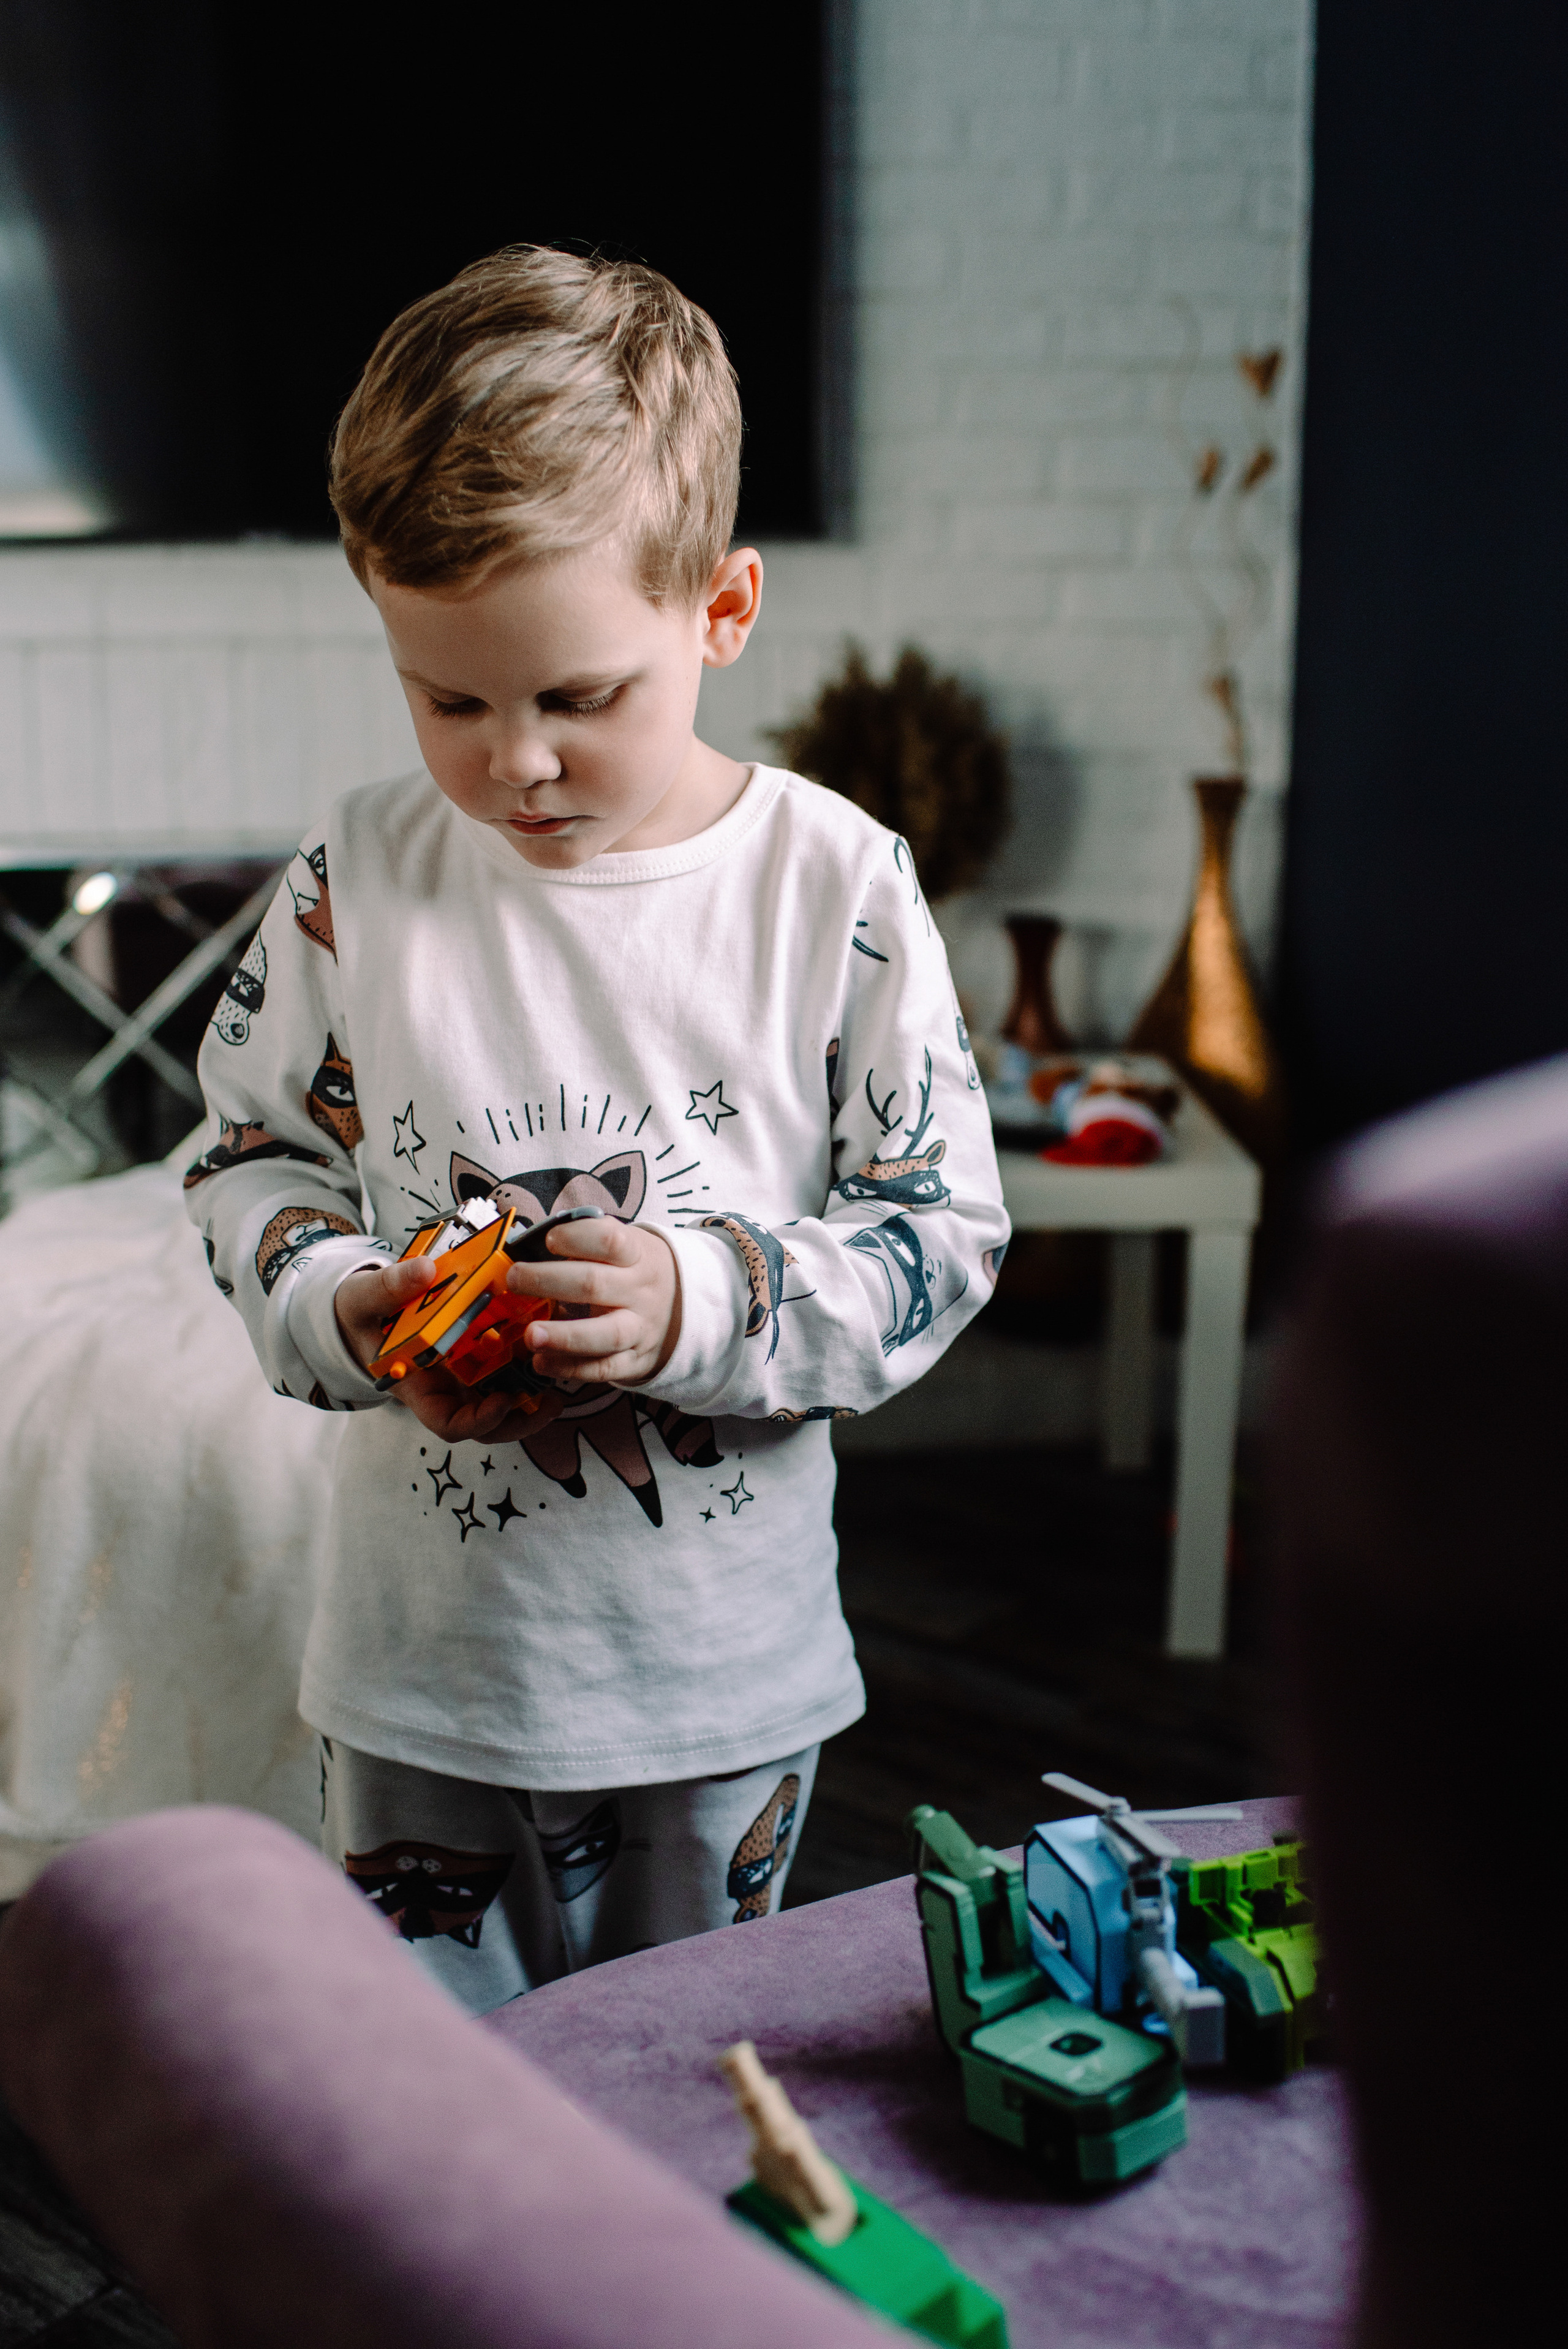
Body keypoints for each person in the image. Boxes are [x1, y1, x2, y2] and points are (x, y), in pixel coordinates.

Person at [184, 245, 1009, 2012]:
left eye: (578, 697)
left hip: (722, 1686)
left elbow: (939, 1230)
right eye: (450, 699)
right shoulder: (357, 877)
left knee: (691, 2087)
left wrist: (702, 1303)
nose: (514, 764)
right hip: (420, 1680)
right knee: (438, 2121)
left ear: (721, 612)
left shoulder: (835, 889)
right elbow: (251, 1158)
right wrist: (347, 1303)